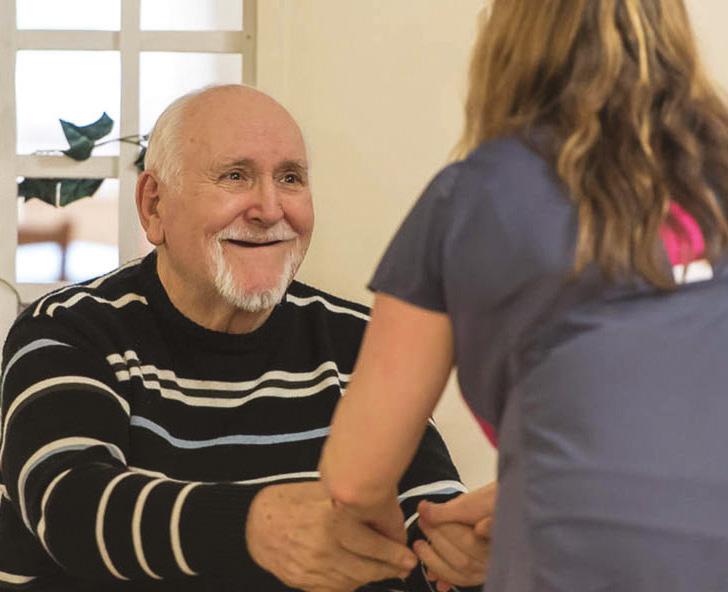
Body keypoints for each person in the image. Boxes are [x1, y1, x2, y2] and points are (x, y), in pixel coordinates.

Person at [0, 85, 490, 591]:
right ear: (154, 206)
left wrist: (461, 555)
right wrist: (253, 526)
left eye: (290, 178)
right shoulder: (68, 331)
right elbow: (71, 508)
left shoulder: (360, 343)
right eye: (235, 176)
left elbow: (420, 529)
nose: (270, 209)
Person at [319, 1, 728, 590]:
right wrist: (516, 495)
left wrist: (396, 547)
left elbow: (356, 478)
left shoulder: (472, 196)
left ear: (509, 42)